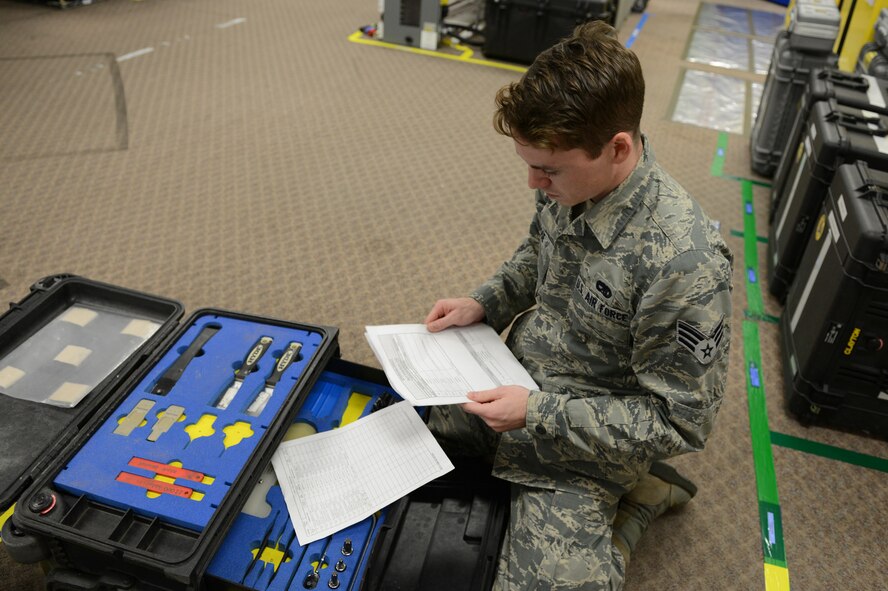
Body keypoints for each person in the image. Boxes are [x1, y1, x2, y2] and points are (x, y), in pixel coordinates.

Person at [423, 20, 733, 591]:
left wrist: (537, 413)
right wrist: (483, 303)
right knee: (392, 432)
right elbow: (536, 252)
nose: (533, 183)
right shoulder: (571, 188)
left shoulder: (685, 265)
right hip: (509, 378)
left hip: (583, 443)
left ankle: (636, 504)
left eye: (549, 168)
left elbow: (679, 422)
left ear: (618, 148)